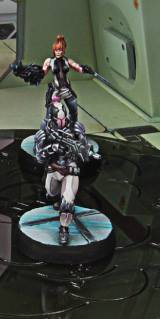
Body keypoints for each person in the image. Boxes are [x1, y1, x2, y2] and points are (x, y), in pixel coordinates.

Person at [34, 96, 98, 245]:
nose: (61, 122)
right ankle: (58, 198)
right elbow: (39, 157)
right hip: (54, 169)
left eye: (63, 118)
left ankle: (64, 228)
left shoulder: (75, 128)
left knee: (67, 203)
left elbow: (85, 154)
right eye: (58, 119)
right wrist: (50, 148)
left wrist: (80, 143)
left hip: (70, 169)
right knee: (51, 193)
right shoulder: (45, 130)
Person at [11, 34, 95, 124]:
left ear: (64, 50)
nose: (58, 52)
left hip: (67, 90)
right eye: (56, 50)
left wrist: (85, 69)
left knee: (74, 112)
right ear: (54, 50)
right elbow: (42, 73)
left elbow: (77, 67)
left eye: (60, 50)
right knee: (50, 114)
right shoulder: (49, 61)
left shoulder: (67, 61)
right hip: (56, 91)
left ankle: (73, 127)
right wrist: (26, 72)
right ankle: (47, 128)